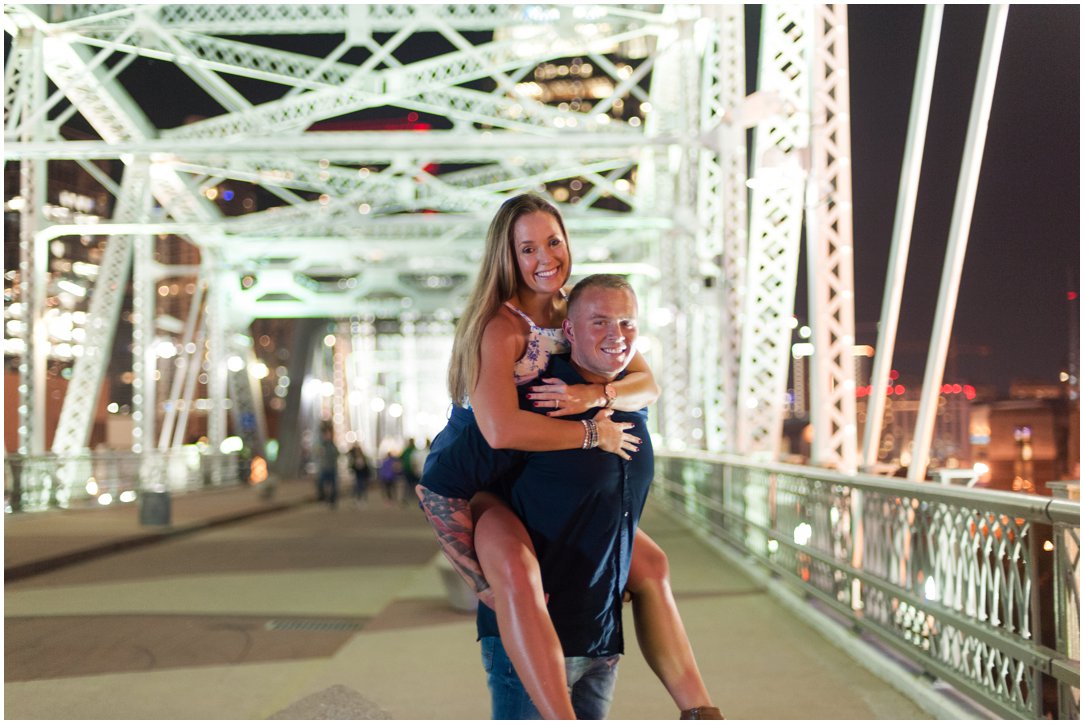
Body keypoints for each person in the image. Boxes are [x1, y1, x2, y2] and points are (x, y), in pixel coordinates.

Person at [416, 194, 720, 720]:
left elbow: (645, 382)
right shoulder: (501, 327)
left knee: (650, 564)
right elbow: (500, 429)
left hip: (515, 476)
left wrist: (594, 397)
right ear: (506, 257)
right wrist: (590, 436)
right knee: (514, 571)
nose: (544, 257)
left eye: (553, 241)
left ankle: (699, 710)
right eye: (527, 247)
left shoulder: (575, 310)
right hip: (469, 484)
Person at [315, 426, 339, 509]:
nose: (327, 436)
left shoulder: (333, 445)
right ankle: (323, 497)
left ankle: (332, 501)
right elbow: (317, 454)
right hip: (324, 468)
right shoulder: (322, 445)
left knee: (333, 485)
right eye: (325, 434)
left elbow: (336, 454)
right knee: (320, 482)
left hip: (332, 467)